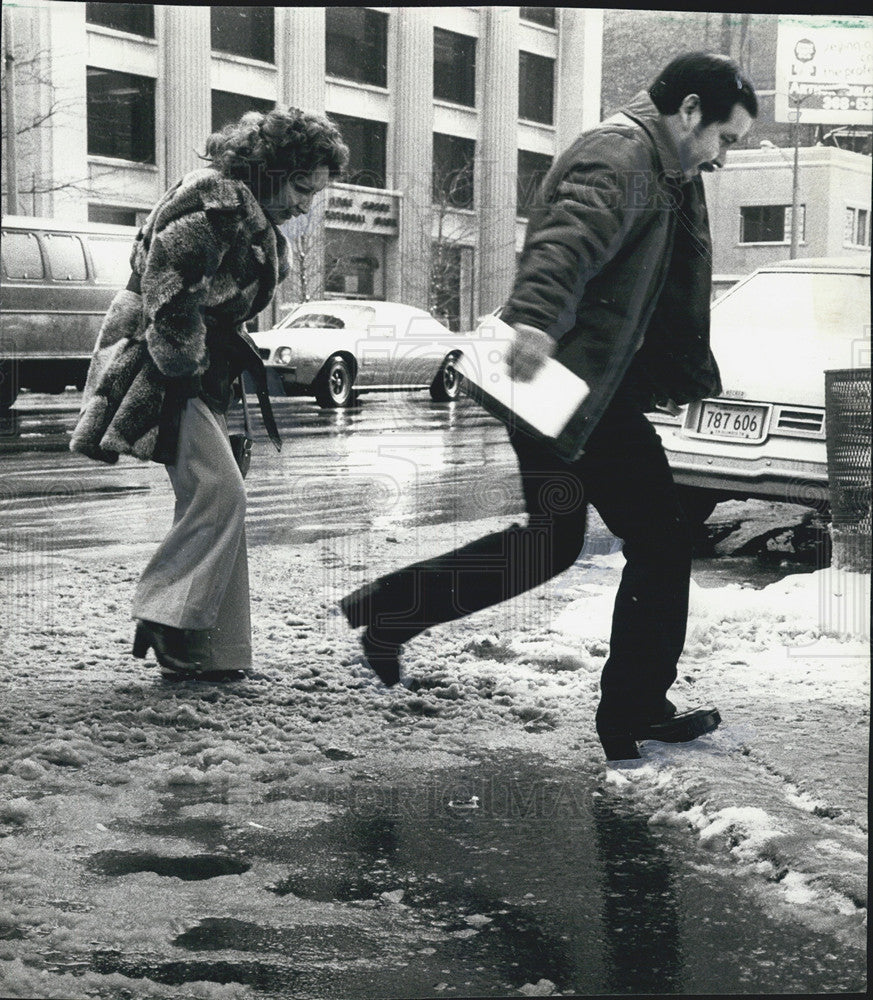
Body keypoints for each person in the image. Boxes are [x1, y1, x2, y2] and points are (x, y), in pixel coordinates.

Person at [340, 53, 757, 760]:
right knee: (659, 540)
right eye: (726, 137)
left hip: (583, 385)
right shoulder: (620, 153)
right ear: (688, 111)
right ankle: (632, 710)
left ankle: (389, 610)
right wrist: (534, 315)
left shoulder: (663, 165)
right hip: (564, 383)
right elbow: (565, 239)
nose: (722, 157)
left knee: (551, 540)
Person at [71, 107, 348, 677]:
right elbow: (166, 290)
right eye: (301, 186)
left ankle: (214, 651)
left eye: (313, 193)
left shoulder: (243, 211)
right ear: (270, 168)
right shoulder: (215, 200)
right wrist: (185, 367)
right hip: (164, 366)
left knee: (215, 496)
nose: (305, 204)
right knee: (221, 494)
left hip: (195, 367)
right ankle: (168, 617)